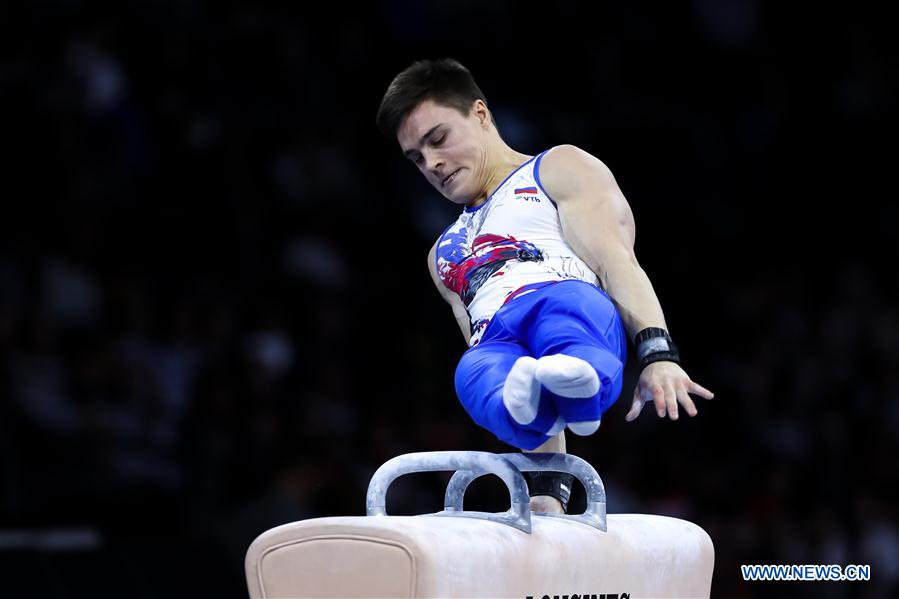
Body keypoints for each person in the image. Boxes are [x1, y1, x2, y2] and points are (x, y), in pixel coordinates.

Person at [376, 58, 715, 513]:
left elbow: (617, 262)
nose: (432, 163)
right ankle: (557, 407)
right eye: (416, 158)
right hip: (499, 339)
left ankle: (583, 379)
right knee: (476, 372)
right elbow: (517, 372)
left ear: (480, 114)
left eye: (438, 139)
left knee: (567, 318)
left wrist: (658, 354)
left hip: (565, 302)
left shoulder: (556, 169)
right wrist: (548, 491)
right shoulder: (442, 255)